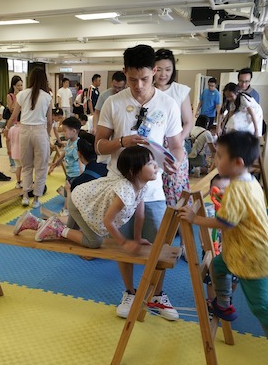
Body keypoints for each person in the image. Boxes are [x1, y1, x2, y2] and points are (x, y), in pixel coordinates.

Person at [179, 131, 268, 365]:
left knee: (261, 306)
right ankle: (224, 304)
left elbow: (224, 222)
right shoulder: (249, 181)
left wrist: (196, 219)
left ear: (237, 162)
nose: (215, 159)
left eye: (220, 155)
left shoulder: (237, 190)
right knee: (217, 265)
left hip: (252, 257)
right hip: (239, 252)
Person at [95, 44, 184, 321]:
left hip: (154, 189)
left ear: (155, 72)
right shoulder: (113, 102)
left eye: (144, 79)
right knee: (124, 244)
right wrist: (122, 141)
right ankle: (130, 291)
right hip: (120, 187)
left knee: (156, 243)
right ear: (125, 72)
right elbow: (99, 146)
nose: (138, 85)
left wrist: (175, 163)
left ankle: (156, 295)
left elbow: (177, 146)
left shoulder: (168, 105)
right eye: (132, 79)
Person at [15, 146, 156, 252]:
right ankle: (53, 226)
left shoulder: (142, 188)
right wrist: (123, 243)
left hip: (83, 201)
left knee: (68, 230)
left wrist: (137, 238)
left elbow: (140, 215)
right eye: (149, 163)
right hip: (79, 203)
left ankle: (33, 222)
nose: (156, 165)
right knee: (94, 242)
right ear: (133, 171)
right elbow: (108, 221)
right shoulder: (125, 191)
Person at [5, 66, 53, 209]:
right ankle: (36, 199)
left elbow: (14, 116)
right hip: (40, 132)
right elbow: (49, 121)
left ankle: (25, 196)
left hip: (24, 131)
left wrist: (7, 128)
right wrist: (48, 135)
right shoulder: (47, 96)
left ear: (30, 79)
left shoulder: (22, 94)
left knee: (26, 166)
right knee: (41, 167)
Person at [154, 48, 193, 207]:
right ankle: (160, 226)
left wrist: (175, 141)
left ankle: (179, 224)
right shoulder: (148, 90)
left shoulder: (180, 91)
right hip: (154, 147)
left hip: (175, 147)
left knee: (175, 186)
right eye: (159, 70)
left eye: (168, 70)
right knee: (155, 188)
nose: (163, 74)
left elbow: (188, 122)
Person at [48, 117, 83, 216]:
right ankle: (69, 207)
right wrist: (56, 163)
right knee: (69, 192)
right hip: (69, 173)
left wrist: (82, 175)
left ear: (74, 131)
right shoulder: (69, 142)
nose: (63, 133)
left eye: (64, 130)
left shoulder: (77, 144)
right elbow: (64, 152)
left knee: (69, 193)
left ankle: (66, 210)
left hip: (76, 174)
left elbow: (80, 160)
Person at [5, 75, 23, 173]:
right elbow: (11, 109)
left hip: (21, 121)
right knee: (11, 143)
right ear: (13, 86)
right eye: (18, 85)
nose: (20, 87)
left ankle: (19, 162)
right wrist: (16, 96)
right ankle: (12, 164)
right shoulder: (10, 96)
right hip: (12, 121)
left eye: (21, 85)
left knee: (19, 143)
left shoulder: (23, 95)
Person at [7, 120, 22, 189]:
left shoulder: (12, 128)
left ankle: (18, 182)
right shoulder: (23, 129)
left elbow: (8, 140)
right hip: (22, 152)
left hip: (14, 151)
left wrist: (8, 149)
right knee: (26, 169)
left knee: (18, 167)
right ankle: (26, 182)